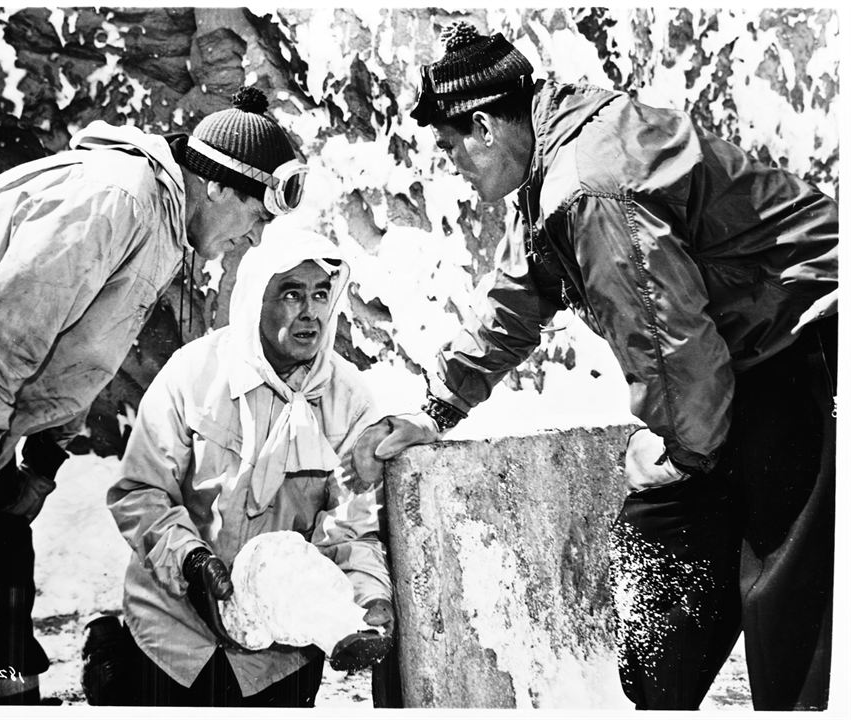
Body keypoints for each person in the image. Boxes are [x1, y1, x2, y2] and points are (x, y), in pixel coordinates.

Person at [352, 21, 838, 711]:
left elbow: (667, 340)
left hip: (809, 341)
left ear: (485, 127)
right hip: (750, 357)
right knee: (674, 574)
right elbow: (518, 297)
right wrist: (436, 409)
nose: (451, 164)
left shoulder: (585, 187)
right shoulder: (556, 155)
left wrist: (686, 458)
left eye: (451, 145)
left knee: (794, 609)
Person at [0, 85, 309, 705]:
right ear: (220, 187)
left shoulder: (167, 225)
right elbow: (2, 331)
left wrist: (42, 462)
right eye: (256, 219)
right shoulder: (116, 199)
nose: (253, 241)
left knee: (3, 611)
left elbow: (78, 354)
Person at [104, 230, 394, 707]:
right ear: (257, 298)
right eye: (292, 294)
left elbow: (353, 530)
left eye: (321, 294)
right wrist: (193, 562)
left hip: (278, 658)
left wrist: (365, 602)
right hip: (173, 636)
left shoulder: (349, 400)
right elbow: (140, 492)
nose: (310, 312)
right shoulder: (193, 372)